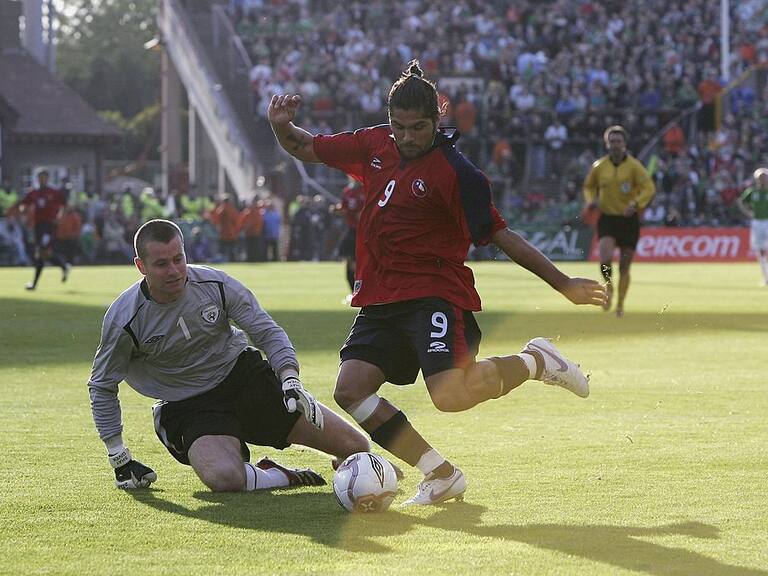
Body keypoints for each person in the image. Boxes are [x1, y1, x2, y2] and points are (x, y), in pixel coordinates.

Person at [268, 60, 605, 507]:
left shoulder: (458, 173)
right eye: (400, 127)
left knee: (450, 395)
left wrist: (563, 283)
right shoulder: (373, 143)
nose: (408, 137)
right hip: (381, 300)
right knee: (350, 389)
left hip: (435, 294)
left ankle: (534, 362)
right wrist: (279, 125)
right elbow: (305, 146)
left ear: (437, 120)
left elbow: (501, 235)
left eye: (419, 127)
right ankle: (440, 474)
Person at [87, 219, 369, 492]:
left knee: (356, 447)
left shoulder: (216, 284)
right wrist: (118, 457)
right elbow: (102, 384)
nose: (174, 270)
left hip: (244, 377)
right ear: (141, 266)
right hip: (188, 405)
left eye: (178, 258)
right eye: (161, 264)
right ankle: (278, 476)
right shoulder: (124, 319)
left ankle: (362, 478)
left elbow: (266, 331)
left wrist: (290, 379)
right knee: (225, 478)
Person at [583, 125, 656, 317]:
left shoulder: (634, 167)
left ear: (624, 144)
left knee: (625, 266)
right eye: (612, 141)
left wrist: (637, 203)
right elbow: (588, 186)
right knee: (605, 258)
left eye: (619, 141)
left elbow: (648, 187)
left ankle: (620, 305)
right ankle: (609, 287)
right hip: (607, 218)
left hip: (628, 220)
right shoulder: (599, 167)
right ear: (607, 144)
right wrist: (591, 201)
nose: (615, 145)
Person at [16, 169, 70, 290]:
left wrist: (59, 218)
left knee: (41, 252)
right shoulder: (34, 192)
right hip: (38, 226)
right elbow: (23, 204)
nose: (42, 179)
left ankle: (34, 284)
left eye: (44, 177)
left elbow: (65, 206)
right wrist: (22, 212)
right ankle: (63, 265)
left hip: (49, 226)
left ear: (48, 178)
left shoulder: (54, 192)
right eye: (40, 177)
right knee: (44, 254)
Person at [334, 176, 365, 304]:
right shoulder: (347, 191)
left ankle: (360, 293)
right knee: (349, 264)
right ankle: (355, 293)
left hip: (364, 232)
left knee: (358, 265)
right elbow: (344, 208)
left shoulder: (367, 189)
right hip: (352, 230)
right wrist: (339, 210)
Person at [736, 167, 768, 285]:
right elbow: (740, 201)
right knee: (760, 250)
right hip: (757, 222)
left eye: (765, 177)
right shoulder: (752, 191)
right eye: (760, 178)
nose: (763, 180)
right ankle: (766, 277)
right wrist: (748, 212)